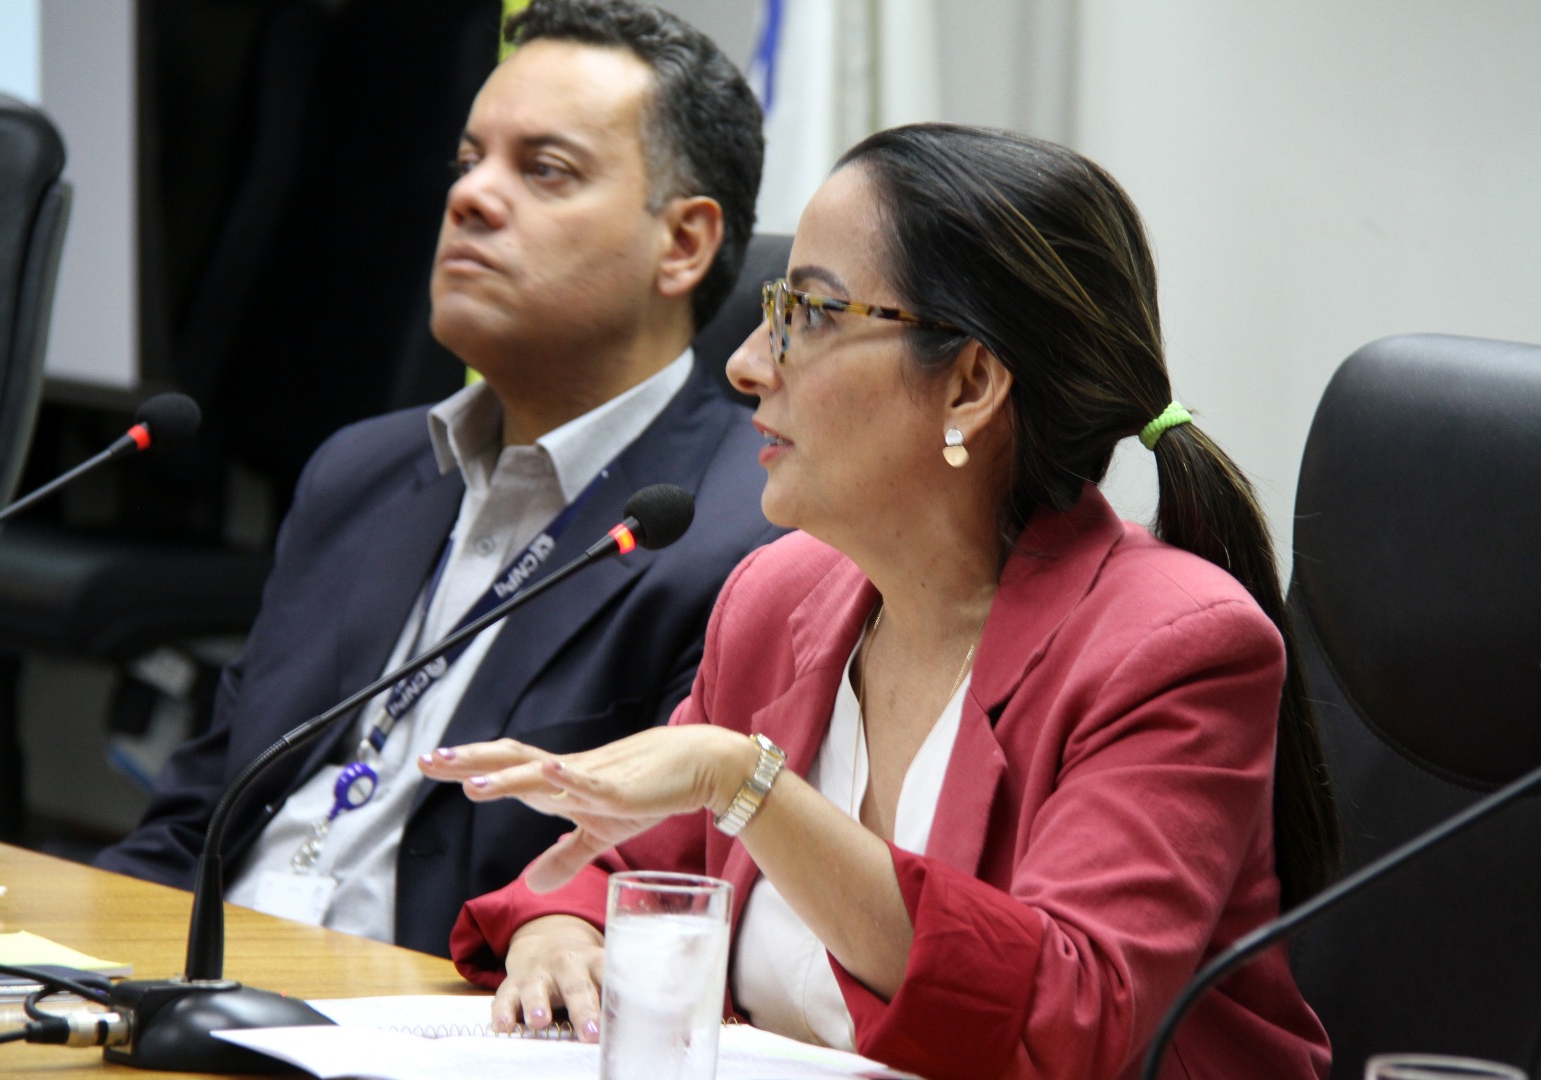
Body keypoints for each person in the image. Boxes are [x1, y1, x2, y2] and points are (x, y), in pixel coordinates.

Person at [426, 124, 1342, 1080]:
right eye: (772, 309)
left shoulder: (1175, 645)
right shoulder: (778, 600)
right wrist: (562, 936)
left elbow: (1072, 1018)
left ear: (970, 384)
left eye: (808, 314)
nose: (746, 364)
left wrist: (748, 785)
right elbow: (623, 870)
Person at [94, 0, 782, 960]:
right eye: (468, 161)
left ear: (684, 243)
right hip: (201, 978)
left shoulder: (745, 534)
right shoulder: (359, 475)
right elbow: (191, 826)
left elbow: (658, 905)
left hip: (429, 1007)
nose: (471, 198)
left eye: (544, 170)